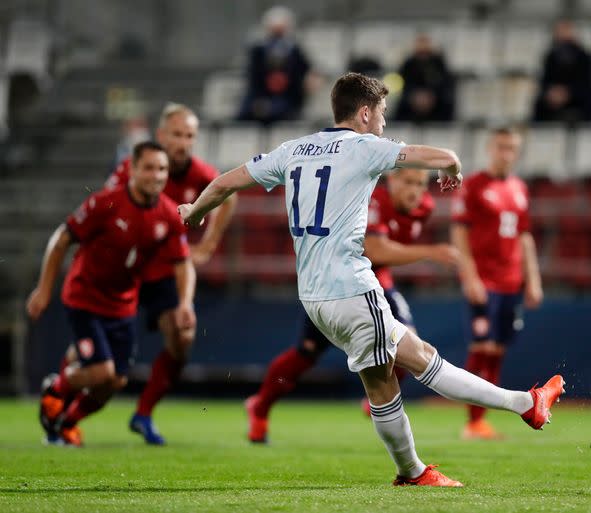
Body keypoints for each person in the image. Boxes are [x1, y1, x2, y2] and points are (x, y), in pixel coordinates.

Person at [179, 72, 565, 486]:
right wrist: (452, 164)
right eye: (381, 113)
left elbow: (224, 183)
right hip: (352, 288)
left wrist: (196, 213)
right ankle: (524, 405)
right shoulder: (364, 147)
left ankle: (416, 470)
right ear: (364, 113)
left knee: (385, 381)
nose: (384, 122)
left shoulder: (293, 150)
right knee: (424, 364)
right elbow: (436, 154)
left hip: (313, 296)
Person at [245, 167, 460, 443]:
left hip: (375, 284)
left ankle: (378, 403)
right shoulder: (374, 202)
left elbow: (381, 256)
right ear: (392, 180)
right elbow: (375, 250)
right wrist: (432, 252)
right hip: (338, 285)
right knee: (304, 355)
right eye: (408, 182)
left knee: (410, 349)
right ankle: (260, 407)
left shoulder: (423, 207)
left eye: (420, 184)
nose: (415, 190)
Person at [26, 141, 194, 446]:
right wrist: (43, 289)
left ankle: (66, 423)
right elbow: (61, 240)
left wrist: (185, 303)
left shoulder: (169, 215)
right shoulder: (105, 204)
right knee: (102, 373)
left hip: (123, 306)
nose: (156, 175)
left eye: (162, 169)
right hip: (84, 298)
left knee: (114, 382)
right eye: (149, 168)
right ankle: (56, 387)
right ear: (132, 169)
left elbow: (183, 264)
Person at [105, 103, 237, 445]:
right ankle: (61, 398)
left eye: (190, 135)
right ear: (161, 135)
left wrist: (208, 246)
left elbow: (229, 197)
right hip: (125, 268)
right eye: (177, 134)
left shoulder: (202, 174)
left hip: (165, 270)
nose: (184, 142)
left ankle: (144, 413)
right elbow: (107, 207)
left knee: (182, 338)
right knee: (99, 355)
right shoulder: (135, 171)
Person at [451, 127, 544, 440]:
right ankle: (472, 421)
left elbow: (525, 236)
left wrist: (533, 280)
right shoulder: (474, 186)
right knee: (482, 346)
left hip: (511, 282)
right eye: (502, 147)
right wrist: (470, 275)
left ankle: (480, 421)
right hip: (484, 279)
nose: (506, 153)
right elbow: (459, 232)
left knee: (497, 351)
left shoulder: (519, 188)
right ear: (491, 148)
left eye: (512, 148)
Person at [237, 6, 310, 124]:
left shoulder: (295, 52)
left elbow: (302, 74)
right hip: (261, 97)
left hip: (286, 98)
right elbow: (254, 79)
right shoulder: (258, 51)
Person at [532, 19, 591, 122]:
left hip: (578, 93)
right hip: (556, 95)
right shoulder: (551, 56)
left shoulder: (584, 55)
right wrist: (552, 92)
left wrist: (568, 92)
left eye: (566, 30)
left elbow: (587, 81)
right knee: (540, 104)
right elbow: (545, 80)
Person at [395, 33, 455, 123]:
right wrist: (414, 96)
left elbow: (445, 84)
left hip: (436, 103)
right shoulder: (408, 64)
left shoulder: (438, 63)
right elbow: (403, 84)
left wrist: (432, 96)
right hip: (411, 103)